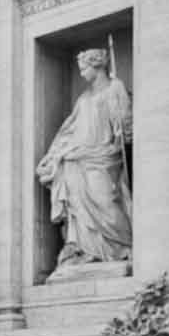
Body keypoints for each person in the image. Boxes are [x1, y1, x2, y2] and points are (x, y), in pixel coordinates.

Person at [36, 48, 132, 277]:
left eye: (84, 68)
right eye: (79, 69)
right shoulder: (83, 99)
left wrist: (123, 122)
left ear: (98, 65)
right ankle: (84, 250)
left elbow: (126, 126)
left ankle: (122, 246)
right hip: (78, 158)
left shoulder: (115, 88)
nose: (81, 74)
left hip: (104, 156)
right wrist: (53, 156)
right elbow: (68, 131)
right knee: (77, 205)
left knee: (105, 200)